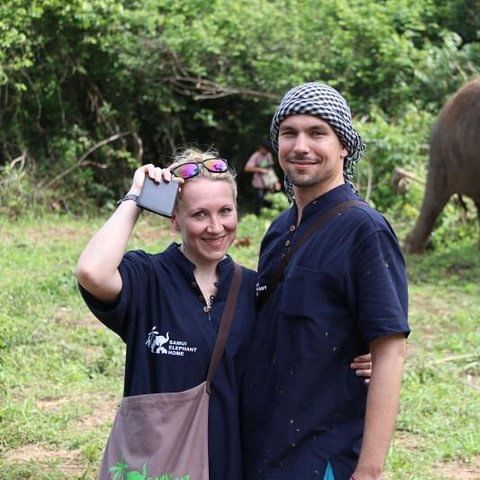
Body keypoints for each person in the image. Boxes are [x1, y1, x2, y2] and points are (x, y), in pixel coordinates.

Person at [75, 148, 373, 479]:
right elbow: (92, 272)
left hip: (230, 463)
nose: (215, 227)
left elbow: (302, 346)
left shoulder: (253, 289)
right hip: (155, 463)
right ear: (175, 218)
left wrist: (357, 357)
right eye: (199, 214)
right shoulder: (147, 278)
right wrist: (136, 197)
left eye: (225, 211)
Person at [242, 82, 410, 480]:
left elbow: (389, 351)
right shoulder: (279, 229)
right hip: (263, 445)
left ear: (344, 146)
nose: (301, 146)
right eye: (289, 133)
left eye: (318, 133)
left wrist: (369, 470)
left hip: (322, 454)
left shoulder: (364, 230)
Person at [244, 141, 281, 215]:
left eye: (267, 151)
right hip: (258, 181)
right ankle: (257, 215)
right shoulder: (256, 156)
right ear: (262, 148)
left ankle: (269, 215)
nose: (266, 152)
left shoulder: (268, 155)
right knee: (259, 198)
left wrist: (275, 181)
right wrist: (259, 169)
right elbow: (247, 168)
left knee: (270, 198)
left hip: (268, 180)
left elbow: (270, 168)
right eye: (265, 150)